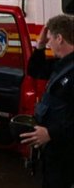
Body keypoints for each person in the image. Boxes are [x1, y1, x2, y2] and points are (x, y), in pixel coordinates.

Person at [20, 15, 74, 188]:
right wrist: (40, 46)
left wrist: (51, 133)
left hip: (67, 153)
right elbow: (34, 70)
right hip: (55, 150)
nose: (48, 43)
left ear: (60, 38)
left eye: (50, 39)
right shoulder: (61, 64)